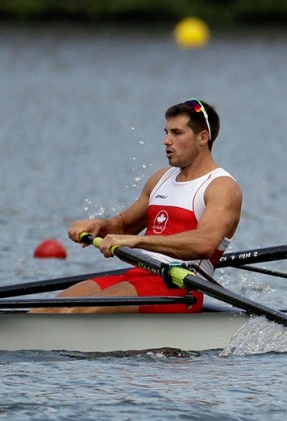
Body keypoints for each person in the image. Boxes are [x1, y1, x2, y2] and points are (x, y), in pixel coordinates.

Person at [33, 100, 242, 314]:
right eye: (166, 132)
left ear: (202, 138)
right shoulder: (161, 178)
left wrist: (137, 241)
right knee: (46, 310)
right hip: (138, 275)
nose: (166, 141)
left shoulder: (222, 187)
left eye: (177, 133)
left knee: (82, 312)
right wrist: (100, 225)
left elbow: (204, 244)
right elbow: (123, 227)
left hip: (180, 288)